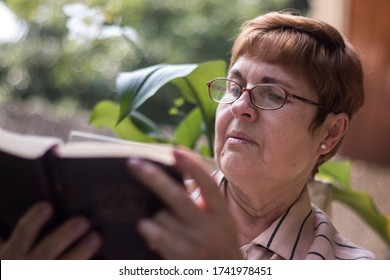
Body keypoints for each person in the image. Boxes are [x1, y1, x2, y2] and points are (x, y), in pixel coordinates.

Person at [0, 11, 375, 260]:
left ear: (329, 133)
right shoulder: (121, 217)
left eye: (273, 94)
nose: (240, 107)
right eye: (235, 86)